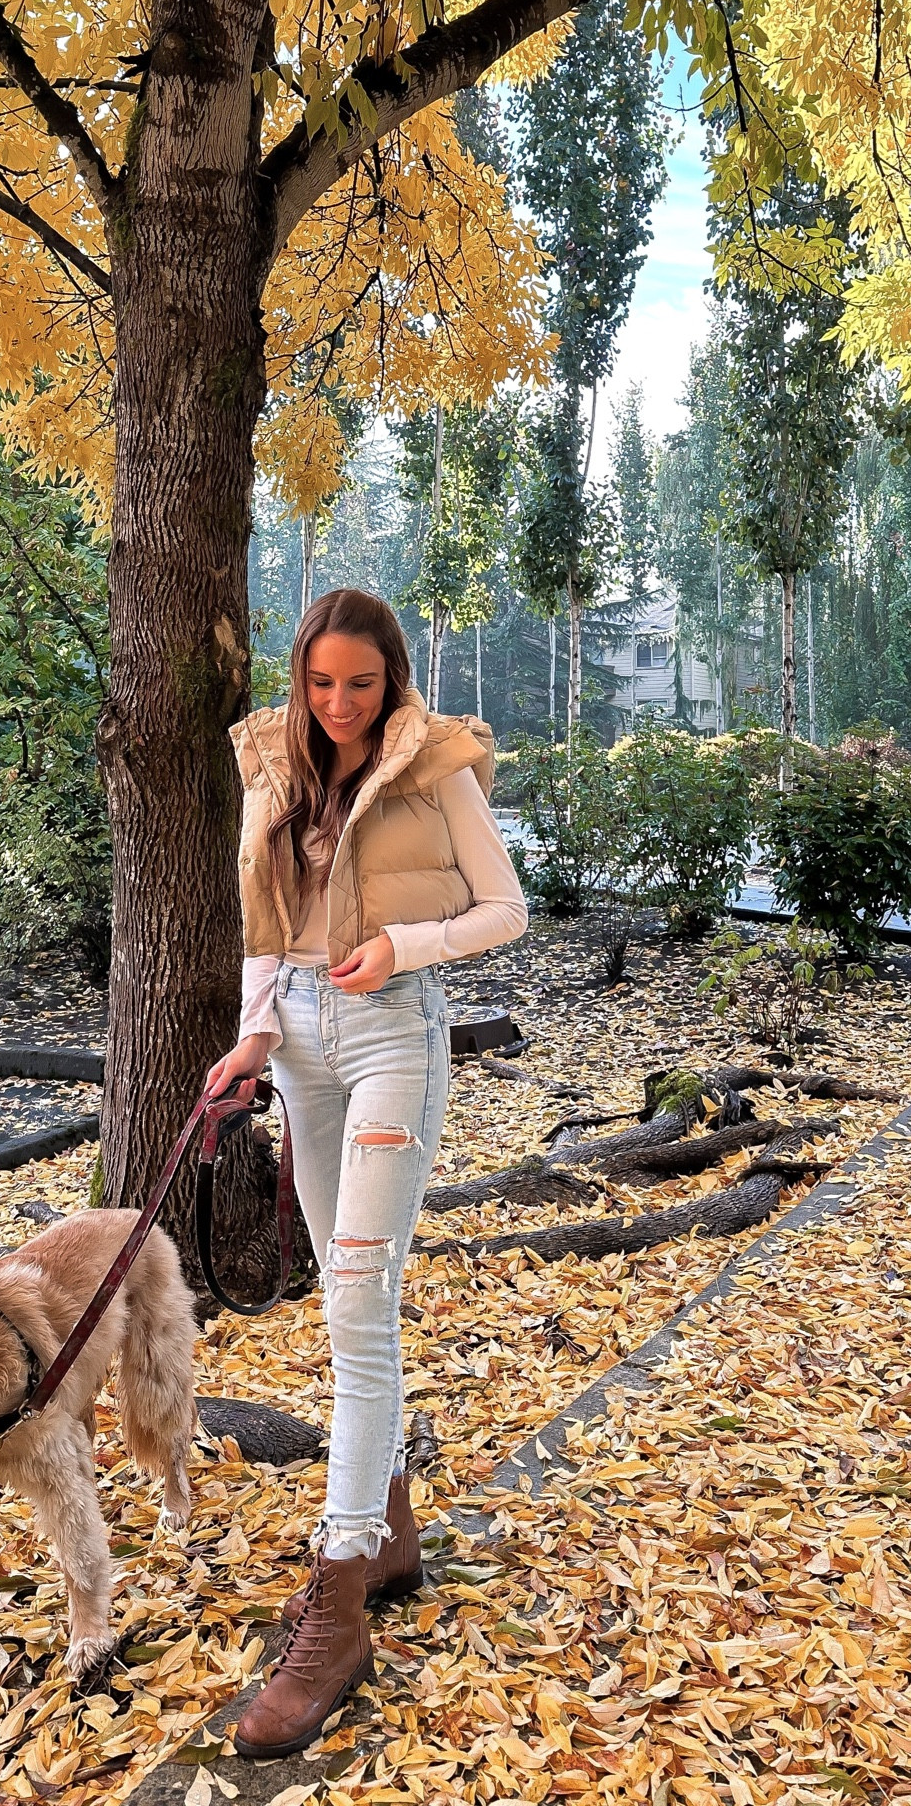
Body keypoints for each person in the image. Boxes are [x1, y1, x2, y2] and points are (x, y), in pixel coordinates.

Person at [205, 587, 528, 1759]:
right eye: (321, 682)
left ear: (394, 679)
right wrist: (250, 1031)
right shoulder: (270, 759)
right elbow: (259, 917)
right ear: (301, 676)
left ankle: (336, 1605)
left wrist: (405, 943)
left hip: (395, 1028)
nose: (339, 705)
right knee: (350, 1313)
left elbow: (505, 908)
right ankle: (390, 1531)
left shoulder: (435, 764)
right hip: (295, 1039)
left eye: (362, 683)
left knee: (356, 1303)